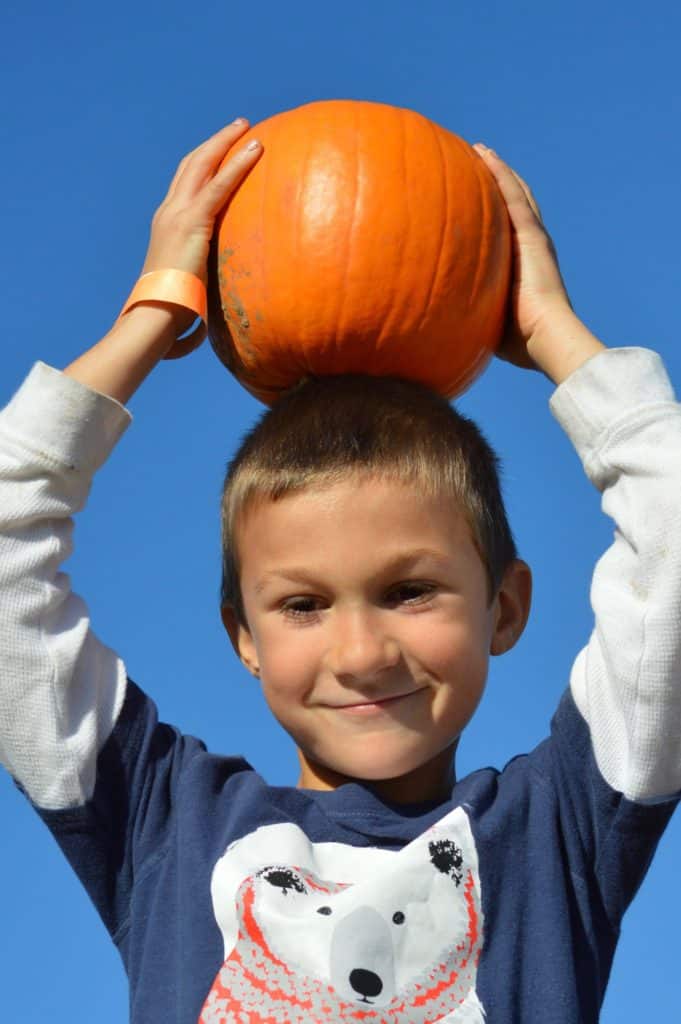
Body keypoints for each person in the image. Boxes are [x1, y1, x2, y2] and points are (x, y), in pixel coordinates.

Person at [1, 116, 679, 1024]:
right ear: (241, 635)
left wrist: (555, 333)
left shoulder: (558, 831)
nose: (361, 653)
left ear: (505, 607)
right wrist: (152, 312)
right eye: (302, 604)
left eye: (409, 591)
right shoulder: (160, 824)